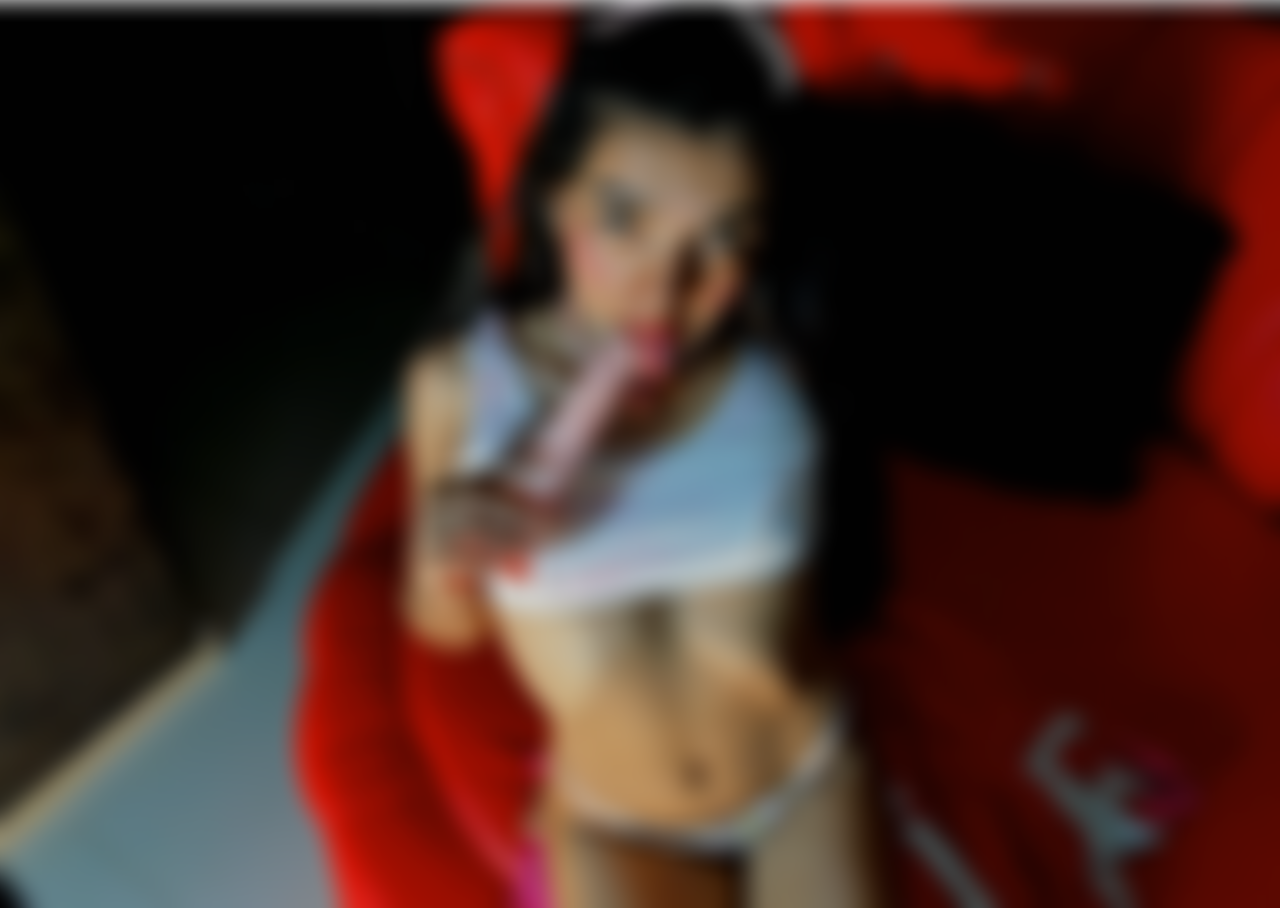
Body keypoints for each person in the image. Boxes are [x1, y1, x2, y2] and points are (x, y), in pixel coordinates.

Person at [402, 12, 887, 907]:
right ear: (554, 194)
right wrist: (444, 547)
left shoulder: (783, 369)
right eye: (625, 220)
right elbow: (444, 627)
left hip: (803, 783)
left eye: (722, 243)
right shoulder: (460, 387)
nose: (664, 290)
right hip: (618, 814)